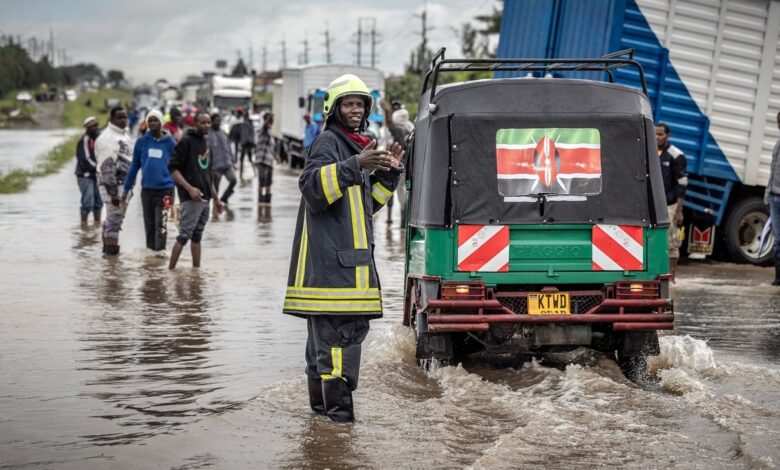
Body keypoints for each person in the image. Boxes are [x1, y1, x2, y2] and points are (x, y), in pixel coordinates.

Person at [283, 74, 405, 423]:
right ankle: (339, 431)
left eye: (360, 104)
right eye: (348, 104)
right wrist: (356, 166)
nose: (355, 110)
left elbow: (365, 208)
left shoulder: (356, 146)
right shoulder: (327, 143)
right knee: (337, 354)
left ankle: (321, 429)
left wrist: (389, 176)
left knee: (324, 355)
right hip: (333, 275)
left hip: (345, 271)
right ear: (334, 109)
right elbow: (312, 189)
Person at [167, 112, 224, 270]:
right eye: (202, 123)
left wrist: (217, 199)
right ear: (195, 123)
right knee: (184, 235)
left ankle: (196, 273)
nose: (206, 126)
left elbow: (208, 175)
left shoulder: (206, 143)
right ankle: (170, 272)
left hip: (206, 199)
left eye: (208, 123)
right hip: (191, 198)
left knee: (197, 236)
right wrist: (190, 189)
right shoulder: (186, 141)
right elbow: (173, 168)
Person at [122, 109, 176, 252]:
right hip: (147, 191)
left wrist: (181, 190)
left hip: (165, 191)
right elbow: (134, 167)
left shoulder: (170, 142)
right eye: (150, 120)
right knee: (149, 226)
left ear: (161, 122)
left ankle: (160, 257)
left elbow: (177, 167)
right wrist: (126, 189)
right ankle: (151, 262)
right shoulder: (142, 142)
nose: (152, 123)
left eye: (155, 120)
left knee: (161, 226)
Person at [96, 107, 132, 255]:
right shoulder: (108, 138)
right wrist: (114, 194)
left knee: (111, 221)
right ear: (111, 119)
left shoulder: (122, 135)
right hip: (114, 188)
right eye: (119, 117)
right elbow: (107, 168)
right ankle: (112, 262)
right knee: (114, 222)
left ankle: (107, 257)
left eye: (125, 117)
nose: (123, 120)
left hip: (121, 186)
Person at [655, 123, 688, 281]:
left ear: (668, 135)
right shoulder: (650, 151)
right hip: (653, 204)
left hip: (670, 204)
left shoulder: (676, 155)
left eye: (660, 134)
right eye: (655, 134)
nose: (657, 137)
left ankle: (672, 277)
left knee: (671, 240)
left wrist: (679, 210)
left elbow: (682, 184)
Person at [75, 116, 103, 224]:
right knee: (88, 202)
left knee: (98, 202)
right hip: (85, 175)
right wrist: (97, 167)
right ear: (87, 128)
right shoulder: (84, 140)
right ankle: (84, 226)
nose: (95, 128)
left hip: (97, 175)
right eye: (92, 126)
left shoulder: (98, 139)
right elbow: (84, 159)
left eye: (96, 125)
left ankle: (97, 225)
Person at [207, 113, 238, 206]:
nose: (219, 123)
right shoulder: (208, 134)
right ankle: (215, 208)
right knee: (216, 188)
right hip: (215, 166)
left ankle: (224, 198)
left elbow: (228, 147)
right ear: (212, 121)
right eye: (217, 121)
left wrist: (233, 160)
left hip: (227, 164)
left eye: (220, 121)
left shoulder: (223, 133)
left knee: (233, 180)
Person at [764, 111, 780, 285]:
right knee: (777, 243)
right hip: (775, 198)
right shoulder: (777, 144)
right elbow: (772, 171)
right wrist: (767, 194)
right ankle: (777, 279)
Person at [255, 112, 278, 204]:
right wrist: (270, 116)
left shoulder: (270, 131)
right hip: (261, 160)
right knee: (262, 181)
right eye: (271, 119)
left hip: (269, 162)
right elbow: (265, 125)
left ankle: (267, 203)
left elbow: (270, 148)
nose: (273, 121)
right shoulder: (263, 129)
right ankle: (260, 202)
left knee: (269, 183)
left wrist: (276, 157)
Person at [238, 113, 256, 179]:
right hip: (249, 144)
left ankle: (241, 174)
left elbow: (244, 135)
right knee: (250, 159)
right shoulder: (251, 124)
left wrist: (242, 143)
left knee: (242, 159)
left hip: (245, 144)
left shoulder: (244, 125)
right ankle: (255, 172)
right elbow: (252, 135)